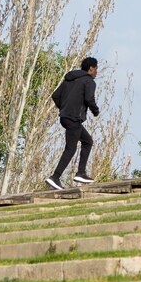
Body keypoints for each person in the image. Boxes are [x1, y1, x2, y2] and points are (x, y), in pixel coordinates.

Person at [45, 57, 100, 190]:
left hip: (65, 117)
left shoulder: (69, 79)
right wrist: (95, 110)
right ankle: (55, 177)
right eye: (96, 68)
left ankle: (81, 173)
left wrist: (64, 108)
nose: (97, 72)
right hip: (74, 118)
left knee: (87, 141)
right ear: (91, 68)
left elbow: (55, 95)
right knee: (71, 148)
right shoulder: (89, 81)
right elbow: (89, 98)